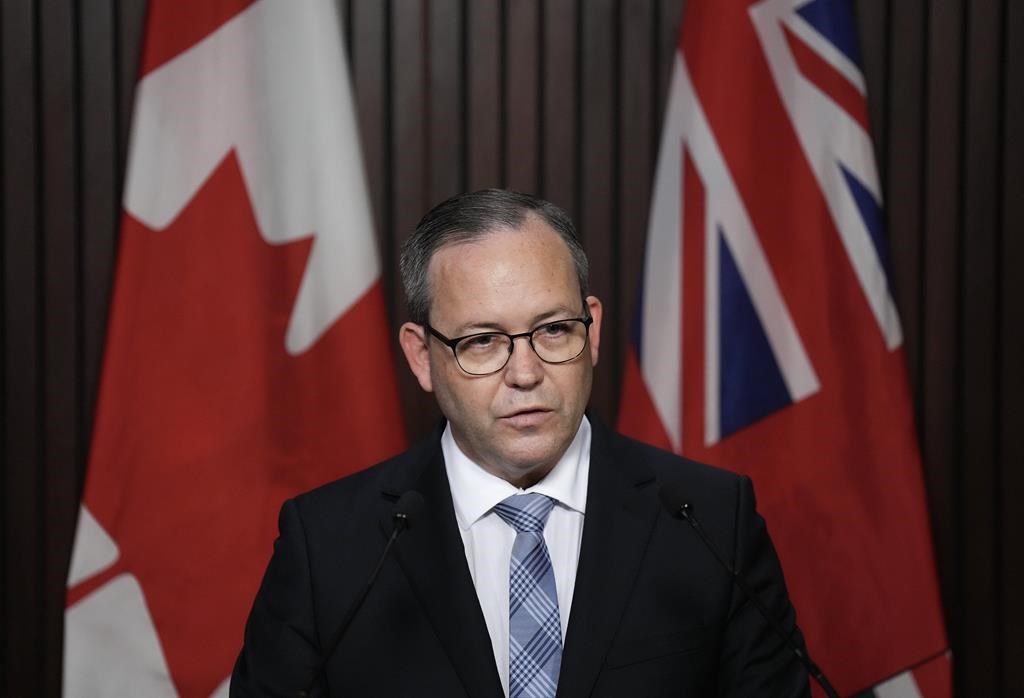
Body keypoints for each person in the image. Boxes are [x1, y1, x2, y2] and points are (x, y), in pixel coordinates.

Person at [231, 189, 810, 697]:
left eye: (553, 330)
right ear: (421, 356)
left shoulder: (710, 521)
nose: (526, 373)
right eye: (482, 341)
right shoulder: (328, 546)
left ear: (592, 330)